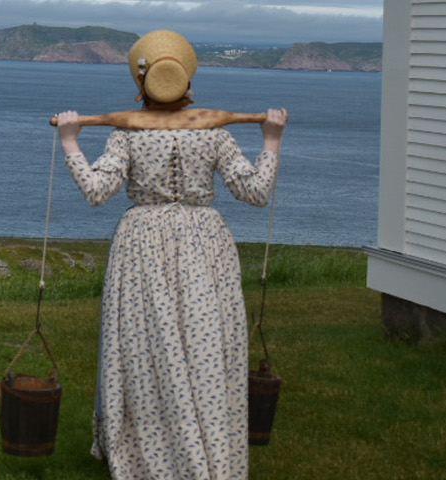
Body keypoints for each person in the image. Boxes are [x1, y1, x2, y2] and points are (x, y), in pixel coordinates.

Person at [53, 29, 285, 479]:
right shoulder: (215, 133)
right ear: (187, 81)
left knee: (146, 348)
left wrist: (69, 141)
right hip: (206, 243)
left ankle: (151, 450)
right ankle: (208, 448)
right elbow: (254, 192)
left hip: (143, 244)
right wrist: (271, 139)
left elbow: (97, 191)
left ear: (140, 86)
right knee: (205, 347)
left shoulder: (126, 134)